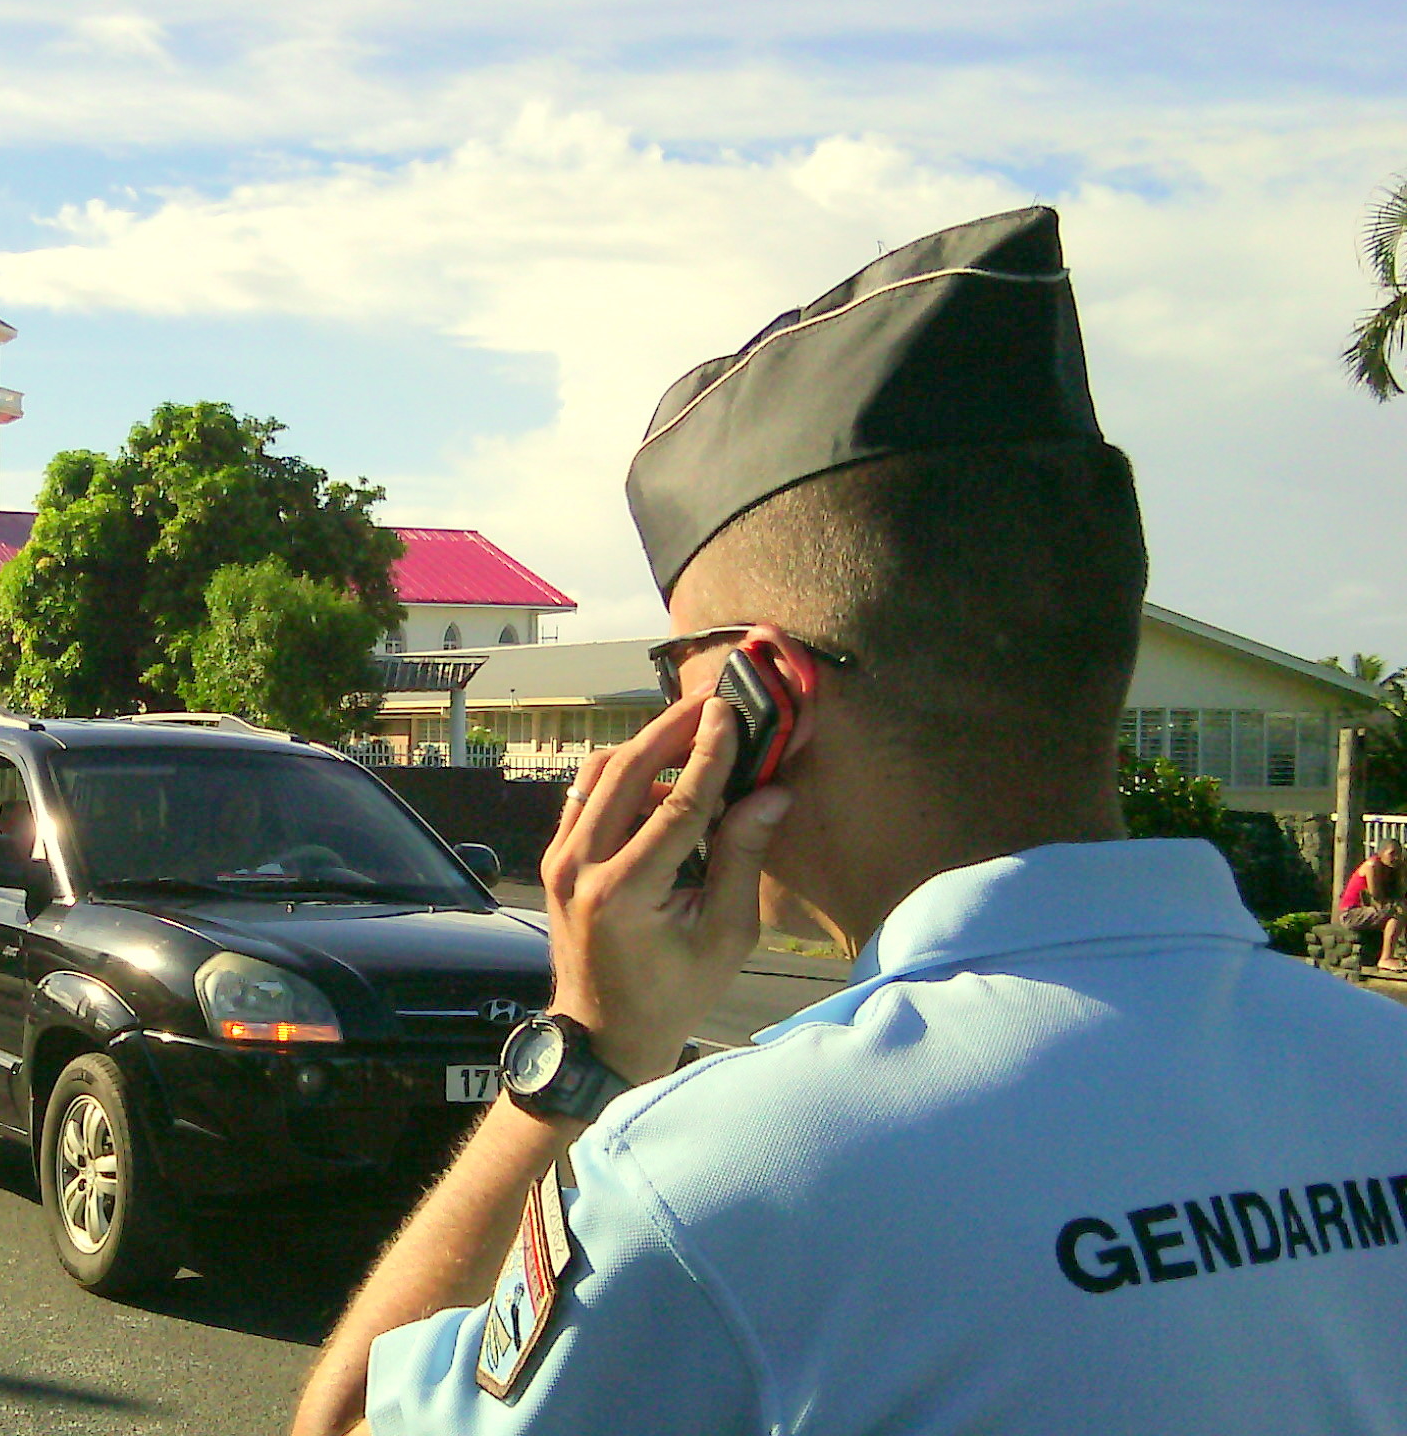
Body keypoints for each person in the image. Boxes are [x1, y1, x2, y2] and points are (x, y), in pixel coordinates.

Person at [290, 208, 1407, 1436]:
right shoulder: (1377, 1068)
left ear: (763, 698)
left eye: (680, 665)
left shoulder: (724, 1178)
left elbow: (340, 1422)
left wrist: (587, 1050)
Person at [1336, 837, 1406, 972]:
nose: (1396, 857)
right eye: (1392, 853)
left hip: (1372, 910)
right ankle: (1385, 958)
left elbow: (1400, 893)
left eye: (1399, 853)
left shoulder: (1392, 868)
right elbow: (1377, 897)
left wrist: (1402, 873)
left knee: (1402, 907)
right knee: (1398, 912)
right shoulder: (1372, 866)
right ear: (1380, 853)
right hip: (1351, 914)